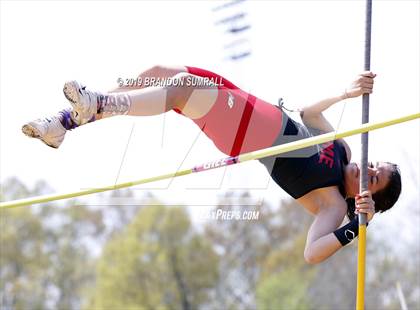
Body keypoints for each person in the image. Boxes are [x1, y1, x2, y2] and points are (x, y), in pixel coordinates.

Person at [22, 65, 401, 264]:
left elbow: (311, 253)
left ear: (368, 196)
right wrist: (346, 93)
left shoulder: (332, 204)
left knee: (185, 87)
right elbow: (307, 113)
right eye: (376, 165)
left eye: (374, 179)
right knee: (161, 73)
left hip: (250, 134)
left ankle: (98, 103)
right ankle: (65, 124)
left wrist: (357, 225)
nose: (368, 169)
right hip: (253, 104)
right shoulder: (346, 150)